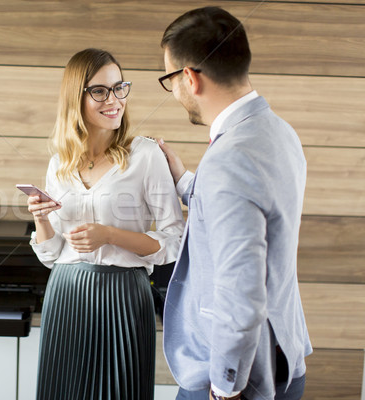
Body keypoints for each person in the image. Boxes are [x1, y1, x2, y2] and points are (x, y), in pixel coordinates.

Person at [155, 7, 312, 400]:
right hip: (282, 358)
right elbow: (252, 208)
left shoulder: (230, 159)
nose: (173, 90)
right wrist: (185, 180)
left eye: (170, 78)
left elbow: (240, 292)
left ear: (189, 78)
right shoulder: (277, 131)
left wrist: (226, 386)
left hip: (236, 377)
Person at [27, 48, 184, 400]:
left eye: (119, 88)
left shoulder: (145, 156)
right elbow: (52, 254)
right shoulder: (60, 163)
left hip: (124, 295)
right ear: (75, 98)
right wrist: (41, 219)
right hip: (66, 294)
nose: (113, 100)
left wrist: (110, 235)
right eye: (99, 91)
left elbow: (174, 241)